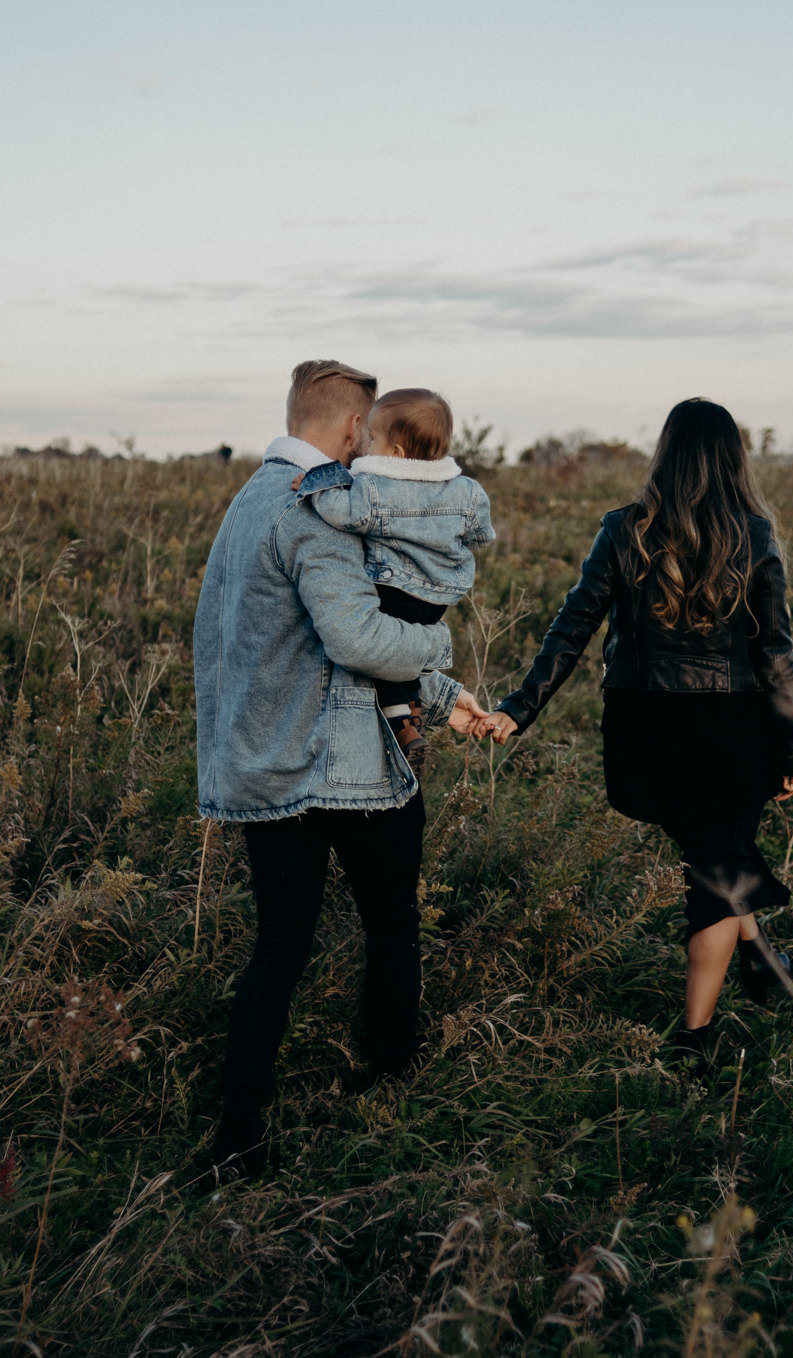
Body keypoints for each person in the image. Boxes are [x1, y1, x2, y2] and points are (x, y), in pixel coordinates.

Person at [194, 359, 492, 1182]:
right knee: (391, 922)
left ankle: (240, 1127)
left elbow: (287, 643)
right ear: (356, 429)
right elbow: (359, 643)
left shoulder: (247, 504)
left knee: (278, 947)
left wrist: (441, 695)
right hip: (347, 769)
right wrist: (439, 650)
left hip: (265, 766)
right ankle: (393, 1081)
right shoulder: (315, 512)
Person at [481, 397, 793, 1073]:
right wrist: (791, 747)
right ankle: (693, 1037)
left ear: (665, 453)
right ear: (732, 458)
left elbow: (572, 626)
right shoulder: (755, 534)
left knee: (716, 855)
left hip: (643, 729)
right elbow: (775, 654)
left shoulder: (623, 529)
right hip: (731, 727)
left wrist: (521, 706)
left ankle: (760, 958)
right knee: (718, 871)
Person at [294, 388, 495, 764]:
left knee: (383, 654)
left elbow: (345, 513)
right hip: (439, 600)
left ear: (397, 454)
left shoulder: (375, 488)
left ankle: (403, 725)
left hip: (394, 589)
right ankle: (416, 714)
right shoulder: (468, 490)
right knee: (403, 649)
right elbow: (483, 535)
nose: (366, 446)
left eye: (373, 439)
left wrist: (315, 487)